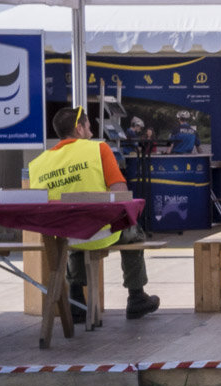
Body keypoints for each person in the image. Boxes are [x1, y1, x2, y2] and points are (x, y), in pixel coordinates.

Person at [28, 107, 161, 322]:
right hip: (103, 232)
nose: (91, 132)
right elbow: (120, 194)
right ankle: (136, 296)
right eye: (89, 127)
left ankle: (76, 300)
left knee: (74, 231)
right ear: (79, 129)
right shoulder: (98, 149)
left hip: (65, 236)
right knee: (133, 231)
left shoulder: (38, 164)